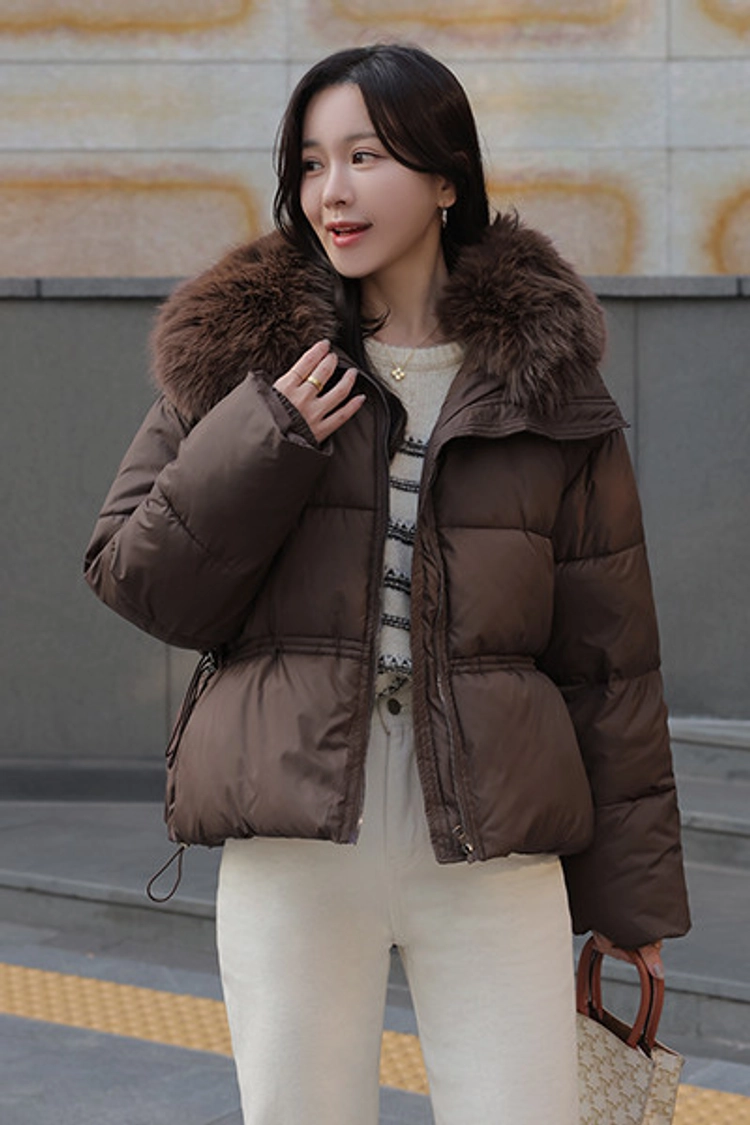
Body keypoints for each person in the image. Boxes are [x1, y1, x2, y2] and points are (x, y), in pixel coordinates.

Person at [84, 43, 690, 1125]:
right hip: (296, 841)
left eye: (365, 156)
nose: (333, 191)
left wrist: (631, 900)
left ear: (447, 177)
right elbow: (138, 579)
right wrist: (267, 437)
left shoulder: (547, 381)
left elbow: (611, 660)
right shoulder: (249, 354)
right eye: (312, 163)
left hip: (495, 847)